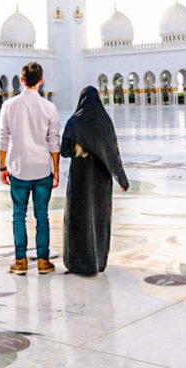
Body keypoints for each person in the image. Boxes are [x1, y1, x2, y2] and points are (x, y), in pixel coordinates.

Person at [0, 61, 60, 275]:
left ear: (21, 79)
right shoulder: (49, 107)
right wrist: (57, 171)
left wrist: (1, 168)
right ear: (41, 80)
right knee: (41, 215)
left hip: (18, 168)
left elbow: (3, 139)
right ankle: (43, 261)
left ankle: (21, 261)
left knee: (19, 215)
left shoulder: (9, 105)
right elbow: (54, 142)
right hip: (42, 169)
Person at [61, 85, 130, 276]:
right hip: (101, 178)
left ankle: (78, 262)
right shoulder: (104, 122)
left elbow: (64, 151)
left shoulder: (74, 122)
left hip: (80, 176)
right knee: (98, 217)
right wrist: (122, 180)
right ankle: (98, 260)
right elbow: (113, 153)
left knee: (79, 215)